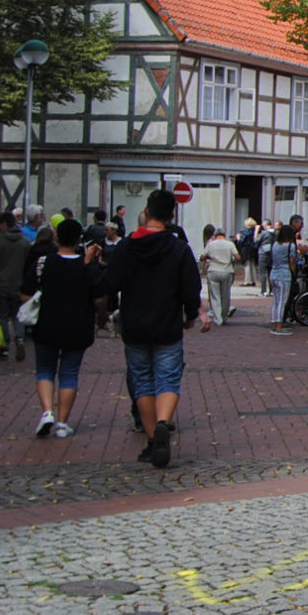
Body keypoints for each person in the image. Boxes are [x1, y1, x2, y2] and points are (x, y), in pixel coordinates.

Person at [104, 189, 209, 468]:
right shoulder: (178, 249)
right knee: (169, 379)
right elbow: (191, 288)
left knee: (142, 380)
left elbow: (110, 283)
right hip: (167, 323)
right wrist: (191, 315)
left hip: (135, 324)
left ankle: (152, 439)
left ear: (147, 212)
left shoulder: (126, 247)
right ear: (171, 216)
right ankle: (163, 421)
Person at [23, 218, 106, 439]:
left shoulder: (43, 263)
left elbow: (24, 292)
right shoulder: (86, 266)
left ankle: (47, 412)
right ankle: (62, 423)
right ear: (79, 239)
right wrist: (101, 318)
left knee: (45, 370)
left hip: (47, 324)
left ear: (56, 237)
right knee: (69, 373)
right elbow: (99, 298)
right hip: (78, 326)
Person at [0, 211, 30, 361]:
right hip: (19, 284)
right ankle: (20, 339)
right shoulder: (25, 242)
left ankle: (4, 348)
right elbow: (28, 266)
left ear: (3, 223)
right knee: (18, 315)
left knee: (1, 316)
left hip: (0, 284)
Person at [201, 224, 238, 323]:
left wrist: (209, 258)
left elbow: (202, 257)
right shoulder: (230, 244)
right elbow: (237, 257)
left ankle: (218, 318)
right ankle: (224, 315)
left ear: (215, 235)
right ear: (224, 235)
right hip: (227, 270)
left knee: (215, 295)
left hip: (213, 270)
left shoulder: (210, 244)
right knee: (225, 295)